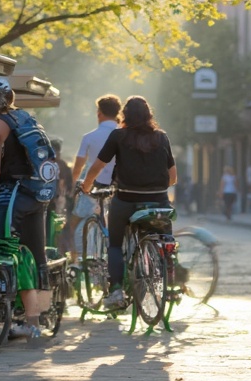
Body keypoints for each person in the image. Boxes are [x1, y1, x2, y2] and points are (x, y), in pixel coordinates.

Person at [81, 96, 177, 310]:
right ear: (148, 115)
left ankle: (116, 290)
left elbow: (97, 166)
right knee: (164, 237)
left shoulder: (119, 136)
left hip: (127, 200)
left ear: (124, 115)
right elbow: (173, 177)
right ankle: (169, 276)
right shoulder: (162, 138)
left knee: (115, 244)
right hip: (158, 201)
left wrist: (86, 186)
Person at [0, 78, 51, 341]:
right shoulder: (25, 118)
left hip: (12, 194)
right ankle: (36, 321)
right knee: (35, 255)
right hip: (36, 194)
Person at [71, 94, 122, 255]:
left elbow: (79, 166)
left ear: (99, 113)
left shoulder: (89, 137)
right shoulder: (125, 135)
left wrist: (74, 186)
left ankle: (79, 259)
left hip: (92, 187)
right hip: (119, 188)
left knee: (77, 221)